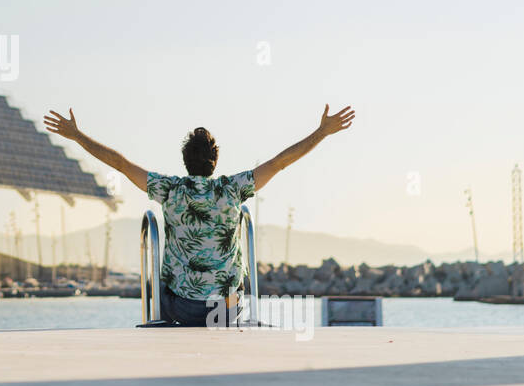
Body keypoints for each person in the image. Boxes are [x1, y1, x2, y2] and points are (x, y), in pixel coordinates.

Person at [43, 104, 355, 327]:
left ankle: (159, 322)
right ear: (215, 161)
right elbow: (280, 162)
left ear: (185, 161)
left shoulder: (168, 189)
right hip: (228, 311)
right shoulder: (233, 189)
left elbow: (121, 164)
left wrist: (77, 135)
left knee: (162, 279)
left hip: (182, 309)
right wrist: (322, 132)